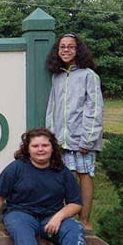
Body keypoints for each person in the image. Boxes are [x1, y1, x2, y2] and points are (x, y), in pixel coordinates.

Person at [45, 33, 103, 231]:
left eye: (71, 47)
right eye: (62, 47)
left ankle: (85, 220)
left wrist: (88, 138)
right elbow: (52, 107)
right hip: (62, 138)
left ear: (78, 50)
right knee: (66, 176)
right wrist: (52, 136)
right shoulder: (57, 76)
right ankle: (67, 217)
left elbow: (94, 108)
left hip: (83, 137)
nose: (66, 50)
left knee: (84, 174)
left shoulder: (89, 75)